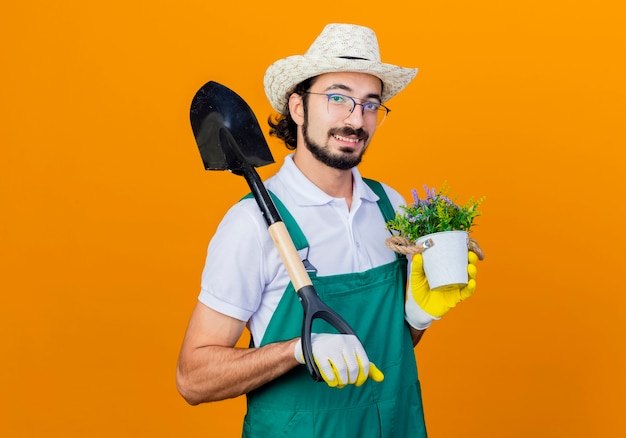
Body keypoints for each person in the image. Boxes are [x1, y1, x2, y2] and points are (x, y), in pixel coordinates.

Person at [176, 23, 479, 437]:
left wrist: (418, 317)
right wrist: (299, 349)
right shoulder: (252, 224)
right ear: (298, 107)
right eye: (338, 98)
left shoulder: (392, 208)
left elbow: (386, 351)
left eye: (371, 104)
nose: (356, 119)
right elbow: (193, 379)